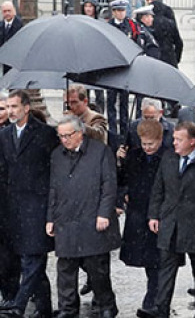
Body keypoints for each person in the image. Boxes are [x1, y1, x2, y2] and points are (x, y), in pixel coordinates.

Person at [144, 122, 195, 318]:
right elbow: (158, 189)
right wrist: (154, 214)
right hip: (171, 222)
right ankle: (160, 308)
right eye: (174, 139)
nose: (174, 143)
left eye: (179, 140)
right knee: (166, 268)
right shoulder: (169, 158)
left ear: (192, 141)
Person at [47, 115, 121, 318]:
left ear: (80, 133)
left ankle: (106, 305)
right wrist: (50, 218)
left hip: (92, 217)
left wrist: (104, 213)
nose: (64, 140)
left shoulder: (100, 152)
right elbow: (53, 188)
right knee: (65, 268)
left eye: (68, 135)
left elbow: (109, 185)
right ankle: (68, 308)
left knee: (97, 268)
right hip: (66, 218)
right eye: (60, 136)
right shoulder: (57, 155)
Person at [0, 91, 57, 318]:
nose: (11, 111)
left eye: (14, 106)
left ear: (26, 107)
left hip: (37, 207)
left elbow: (55, 170)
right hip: (12, 209)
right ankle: (44, 308)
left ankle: (18, 305)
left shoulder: (45, 134)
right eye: (8, 107)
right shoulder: (4, 135)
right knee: (28, 262)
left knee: (33, 259)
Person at [118, 120, 167, 313]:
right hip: (139, 213)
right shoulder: (134, 156)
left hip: (158, 214)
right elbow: (123, 180)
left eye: (151, 144)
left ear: (160, 140)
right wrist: (121, 161)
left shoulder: (166, 157)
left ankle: (154, 300)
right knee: (148, 260)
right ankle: (154, 298)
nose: (147, 148)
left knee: (159, 260)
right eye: (144, 143)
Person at [107, 0, 139, 135]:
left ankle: (124, 129)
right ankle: (113, 129)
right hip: (112, 67)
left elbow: (136, 41)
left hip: (126, 66)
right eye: (118, 11)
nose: (121, 14)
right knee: (111, 100)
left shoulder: (130, 25)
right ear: (113, 12)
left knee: (124, 101)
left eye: (123, 10)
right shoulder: (109, 26)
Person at [141, 2, 182, 68]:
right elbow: (179, 43)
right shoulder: (170, 23)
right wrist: (176, 59)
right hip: (170, 59)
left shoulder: (148, 25)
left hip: (155, 60)